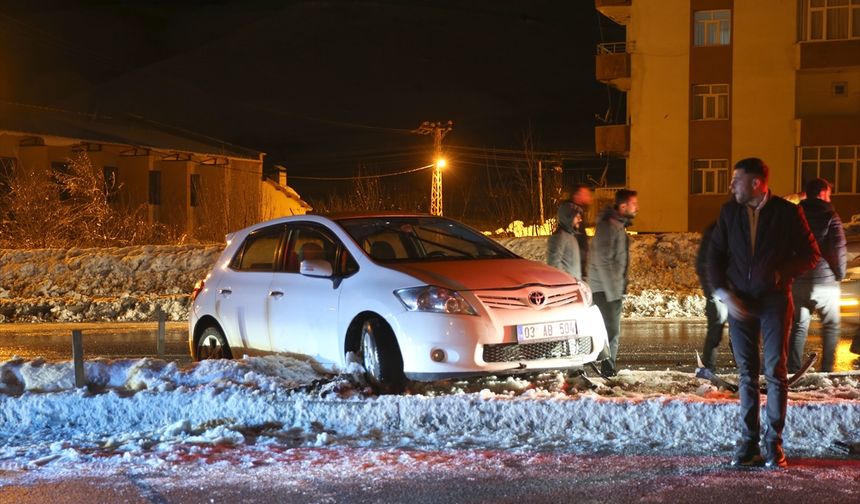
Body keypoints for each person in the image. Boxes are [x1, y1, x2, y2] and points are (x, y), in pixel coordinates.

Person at [708, 158, 819, 469]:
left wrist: (780, 272)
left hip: (774, 302)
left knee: (775, 372)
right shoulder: (729, 212)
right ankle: (748, 443)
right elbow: (715, 255)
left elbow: (811, 253)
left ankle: (773, 444)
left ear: (756, 183)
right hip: (739, 302)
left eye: (736, 180)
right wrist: (724, 293)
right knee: (746, 373)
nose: (731, 186)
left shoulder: (787, 212)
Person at [790, 178, 847, 373]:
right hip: (825, 283)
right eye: (829, 194)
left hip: (798, 281)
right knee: (830, 326)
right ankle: (827, 370)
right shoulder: (831, 215)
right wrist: (839, 274)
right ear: (823, 193)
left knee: (798, 326)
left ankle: (793, 369)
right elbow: (838, 248)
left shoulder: (795, 215)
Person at [588, 189, 638, 377]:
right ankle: (607, 369)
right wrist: (613, 291)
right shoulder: (608, 226)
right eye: (634, 204)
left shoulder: (616, 225)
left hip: (610, 288)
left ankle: (607, 367)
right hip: (605, 289)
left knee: (612, 332)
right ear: (623, 206)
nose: (637, 208)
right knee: (611, 332)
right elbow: (603, 260)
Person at [695, 221, 728, 371]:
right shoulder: (717, 231)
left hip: (732, 289)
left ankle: (746, 367)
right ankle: (708, 368)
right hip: (719, 290)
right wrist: (713, 292)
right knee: (716, 329)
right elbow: (703, 264)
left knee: (740, 333)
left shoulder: (736, 229)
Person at [547, 201, 584, 280]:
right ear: (568, 217)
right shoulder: (559, 236)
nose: (580, 219)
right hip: (567, 287)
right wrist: (569, 280)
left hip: (574, 286)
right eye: (577, 216)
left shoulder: (571, 236)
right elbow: (553, 265)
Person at [571, 184, 594, 278]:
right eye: (586, 195)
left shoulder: (578, 211)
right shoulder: (573, 213)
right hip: (575, 264)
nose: (589, 197)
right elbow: (575, 237)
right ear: (578, 195)